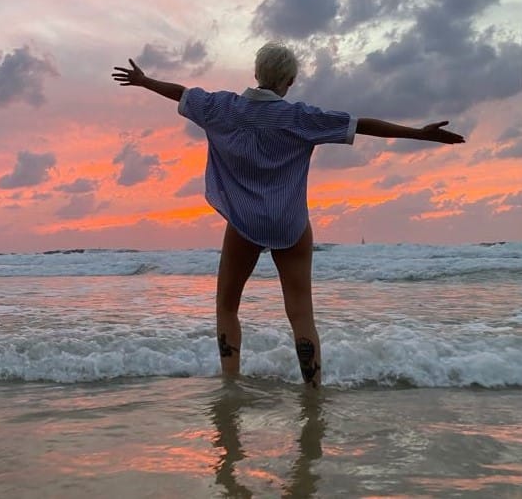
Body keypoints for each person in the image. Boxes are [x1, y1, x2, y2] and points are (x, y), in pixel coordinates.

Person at [112, 42, 465, 387]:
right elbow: (362, 125)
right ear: (289, 82)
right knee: (300, 314)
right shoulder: (300, 117)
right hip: (290, 222)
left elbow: (182, 93)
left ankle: (230, 382)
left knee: (227, 307)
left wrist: (145, 81)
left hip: (244, 222)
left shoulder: (222, 108)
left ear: (256, 73)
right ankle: (313, 391)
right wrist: (419, 134)